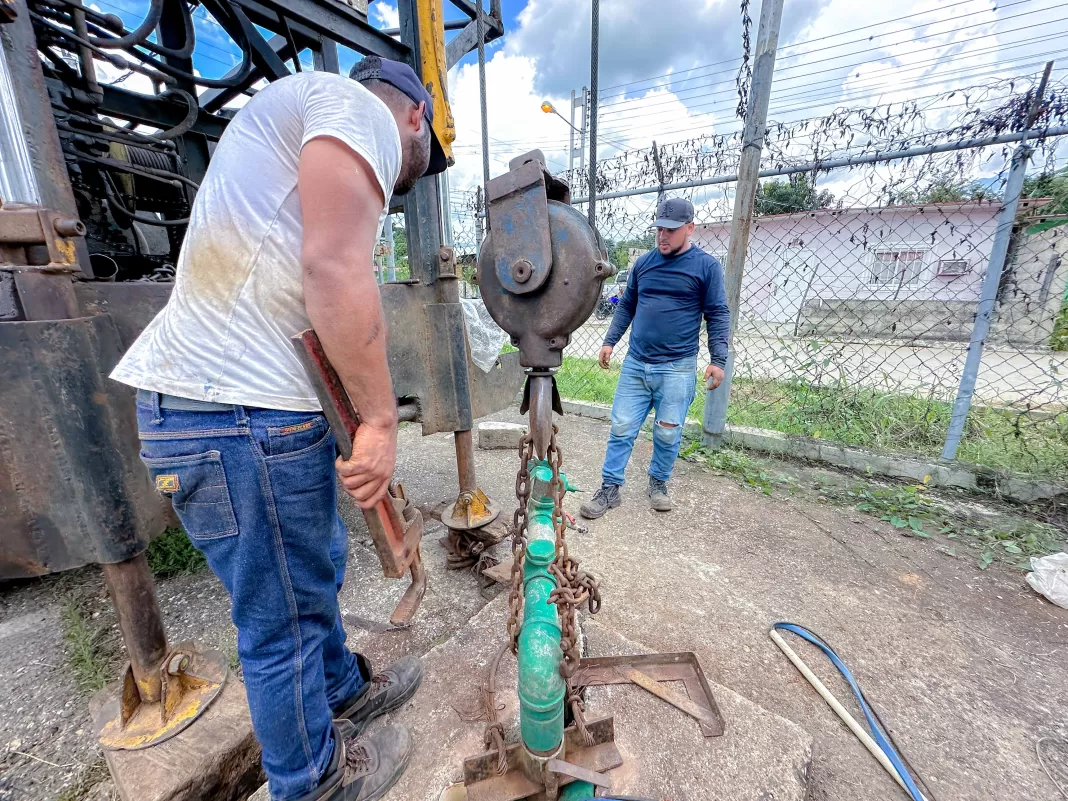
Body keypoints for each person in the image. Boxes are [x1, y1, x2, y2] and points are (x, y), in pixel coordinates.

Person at [110, 57, 448, 801]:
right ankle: (314, 780)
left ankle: (338, 692)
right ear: (416, 115)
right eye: (413, 170)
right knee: (281, 623)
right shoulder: (358, 109)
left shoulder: (293, 120)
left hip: (229, 413)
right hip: (237, 417)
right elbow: (333, 269)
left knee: (309, 570)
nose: (401, 181)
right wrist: (383, 420)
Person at [580, 197, 730, 518]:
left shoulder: (706, 267)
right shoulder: (644, 263)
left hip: (677, 368)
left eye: (671, 230)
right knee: (621, 426)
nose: (663, 236)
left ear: (690, 228)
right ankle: (609, 488)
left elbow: (717, 313)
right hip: (636, 364)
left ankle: (658, 482)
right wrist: (610, 342)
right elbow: (627, 305)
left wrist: (718, 359)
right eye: (660, 229)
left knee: (667, 430)